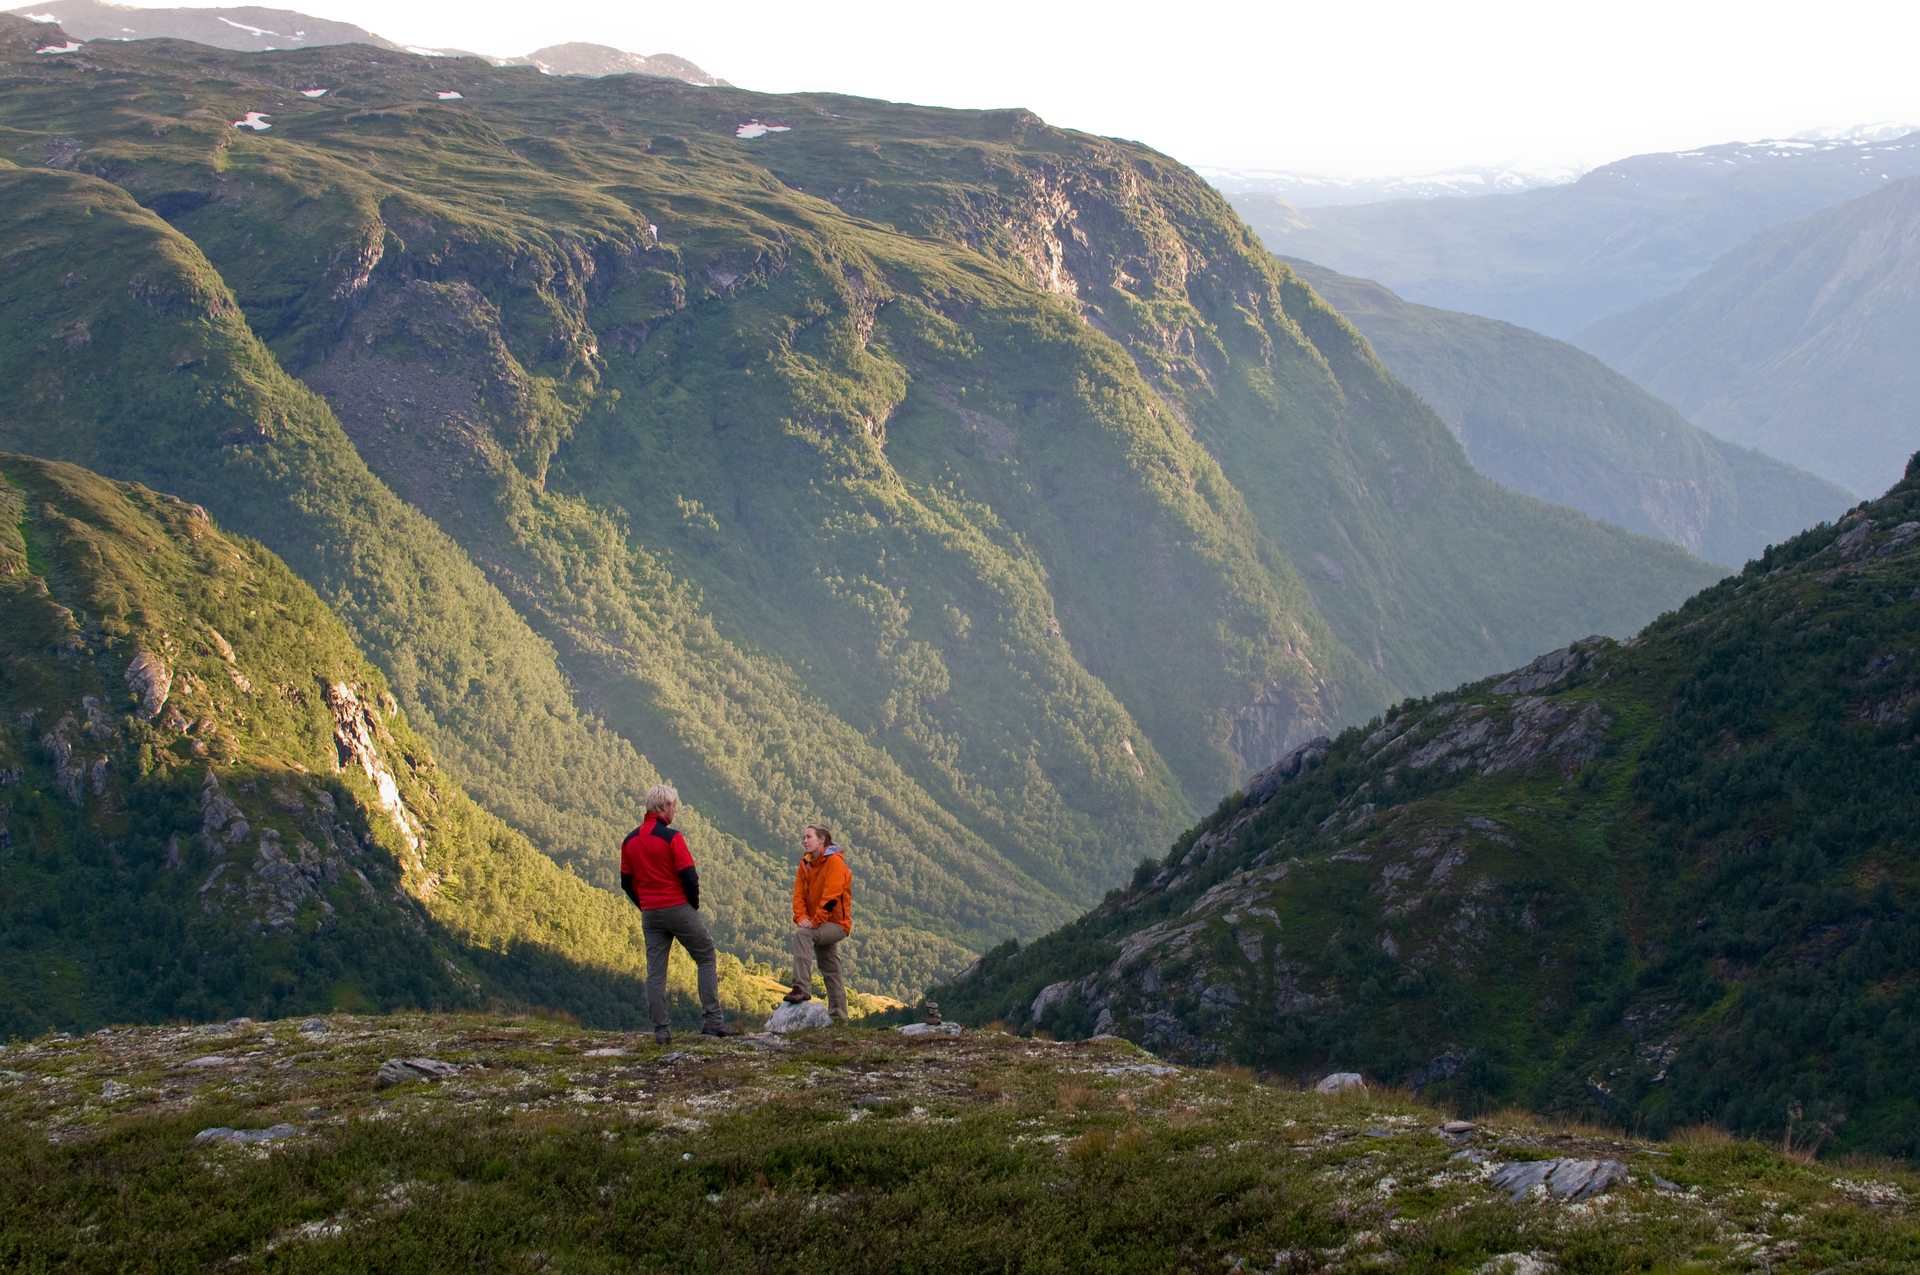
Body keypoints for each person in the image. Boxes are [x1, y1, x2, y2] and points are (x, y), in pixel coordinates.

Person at [620, 784, 739, 1043]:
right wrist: (691, 906)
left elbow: (626, 882)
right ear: (665, 807)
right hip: (677, 907)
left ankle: (661, 1032)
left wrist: (645, 905)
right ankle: (713, 1021)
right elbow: (688, 875)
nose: (675, 810)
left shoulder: (629, 840)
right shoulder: (673, 838)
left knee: (656, 972)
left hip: (651, 913)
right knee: (706, 956)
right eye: (674, 805)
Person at [785, 823, 852, 1021]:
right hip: (818, 922)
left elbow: (832, 897)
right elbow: (798, 898)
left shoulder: (834, 863)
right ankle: (839, 1018)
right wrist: (803, 918)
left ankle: (801, 988)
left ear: (821, 840)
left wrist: (813, 923)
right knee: (830, 968)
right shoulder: (805, 866)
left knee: (803, 934)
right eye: (804, 838)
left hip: (836, 924)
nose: (805, 841)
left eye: (809, 837)